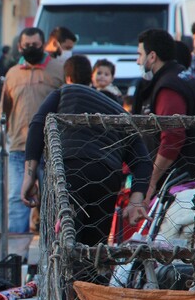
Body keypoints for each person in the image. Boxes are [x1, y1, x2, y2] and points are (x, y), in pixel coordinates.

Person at [22, 55, 151, 245]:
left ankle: (67, 272)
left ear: (66, 78)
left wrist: (29, 176)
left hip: (69, 169)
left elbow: (37, 124)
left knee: (64, 241)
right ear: (90, 77)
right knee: (93, 249)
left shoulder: (65, 92)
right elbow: (143, 161)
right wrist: (136, 199)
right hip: (105, 176)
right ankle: (89, 274)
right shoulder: (120, 110)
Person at [132, 29, 195, 200]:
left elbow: (173, 137)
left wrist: (150, 182)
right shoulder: (182, 76)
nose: (138, 61)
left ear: (152, 56)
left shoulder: (169, 86)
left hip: (185, 186)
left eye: (140, 54)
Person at [0, 27, 64, 234]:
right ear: (19, 47)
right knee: (17, 197)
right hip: (19, 148)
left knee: (52, 201)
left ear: (43, 45)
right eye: (27, 45)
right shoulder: (12, 74)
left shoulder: (59, 70)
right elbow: (3, 111)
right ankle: (17, 255)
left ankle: (52, 253)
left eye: (35, 45)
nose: (31, 48)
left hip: (51, 149)